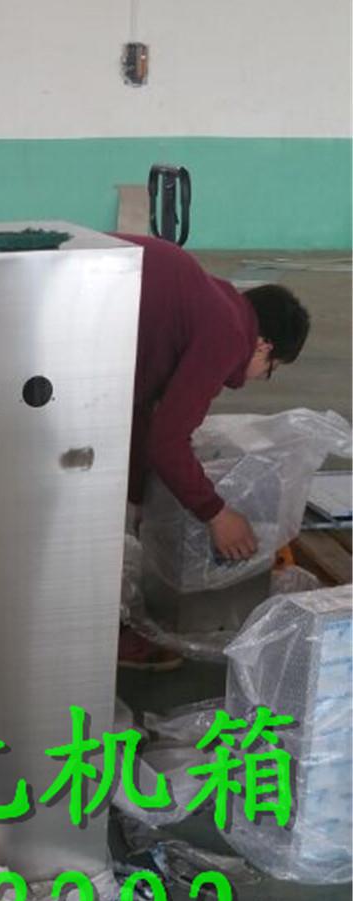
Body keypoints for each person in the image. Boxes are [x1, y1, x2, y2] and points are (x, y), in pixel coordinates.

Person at [118, 235, 310, 670]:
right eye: (271, 369)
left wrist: (139, 497)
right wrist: (217, 513)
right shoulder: (227, 333)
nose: (260, 376)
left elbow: (143, 406)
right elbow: (167, 440)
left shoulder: (210, 302)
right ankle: (95, 634)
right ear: (264, 346)